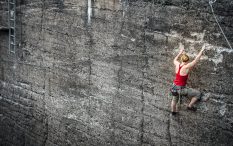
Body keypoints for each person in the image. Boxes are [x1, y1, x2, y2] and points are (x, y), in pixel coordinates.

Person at [170, 42, 206, 115]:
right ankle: (190, 106)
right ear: (187, 61)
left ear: (181, 60)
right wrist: (202, 50)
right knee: (197, 94)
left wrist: (180, 52)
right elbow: (196, 60)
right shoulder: (186, 67)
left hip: (174, 87)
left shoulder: (177, 64)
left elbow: (174, 59)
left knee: (174, 101)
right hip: (181, 89)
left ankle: (173, 112)